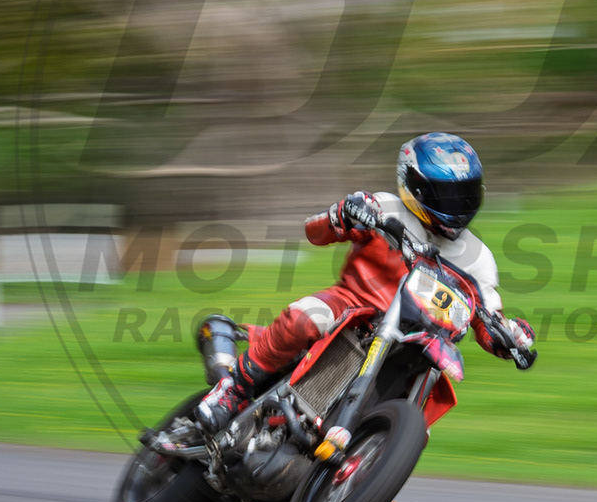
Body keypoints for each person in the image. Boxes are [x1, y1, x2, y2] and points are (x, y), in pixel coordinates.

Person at [195, 132, 537, 431]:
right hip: (353, 306)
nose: (457, 206)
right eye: (445, 194)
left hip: (417, 342)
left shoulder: (479, 259)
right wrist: (342, 213)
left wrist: (511, 337)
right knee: (307, 318)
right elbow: (315, 233)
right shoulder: (385, 207)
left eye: (465, 193)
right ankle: (233, 389)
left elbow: (487, 318)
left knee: (417, 424)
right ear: (415, 186)